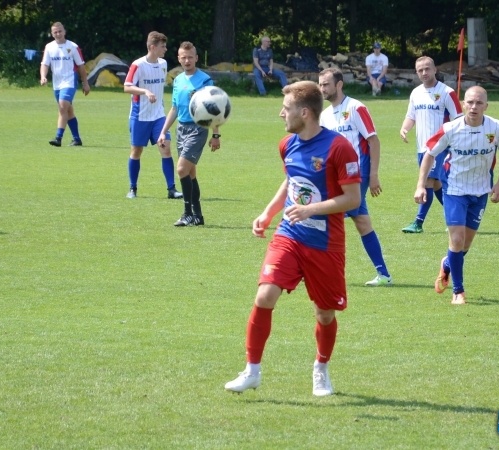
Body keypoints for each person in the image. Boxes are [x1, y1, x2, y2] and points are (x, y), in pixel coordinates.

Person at [224, 81, 361, 396]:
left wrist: (310, 209)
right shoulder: (287, 144)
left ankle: (321, 368)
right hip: (289, 235)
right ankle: (251, 371)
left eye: (286, 108)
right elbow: (290, 181)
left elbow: (352, 198)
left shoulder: (339, 148)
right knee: (264, 296)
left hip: (325, 244)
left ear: (305, 113)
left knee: (325, 313)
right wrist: (268, 213)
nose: (280, 113)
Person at [414, 86, 499, 305]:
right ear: (463, 104)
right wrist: (421, 185)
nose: (474, 107)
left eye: (479, 103)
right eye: (469, 102)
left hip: (480, 191)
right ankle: (458, 291)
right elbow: (429, 154)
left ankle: (447, 263)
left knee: (465, 245)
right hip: (454, 189)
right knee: (457, 239)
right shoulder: (450, 128)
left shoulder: (497, 128)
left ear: (486, 106)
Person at [318, 67, 392, 286]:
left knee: (327, 218)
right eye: (320, 85)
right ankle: (384, 274)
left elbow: (373, 141)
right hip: (338, 178)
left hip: (358, 175)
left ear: (339, 85)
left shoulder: (356, 107)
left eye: (326, 84)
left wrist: (374, 175)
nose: (322, 88)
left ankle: (321, 272)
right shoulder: (324, 115)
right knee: (362, 222)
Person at [158, 42, 220, 226]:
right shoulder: (177, 80)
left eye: (190, 57)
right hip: (181, 129)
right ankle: (198, 216)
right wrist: (163, 131)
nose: (187, 61)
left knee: (181, 169)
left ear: (196, 58)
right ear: (178, 59)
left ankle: (187, 214)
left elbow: (213, 109)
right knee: (190, 173)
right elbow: (175, 108)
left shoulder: (205, 80)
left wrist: (216, 135)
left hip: (198, 129)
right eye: (183, 57)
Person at [400, 56, 462, 233]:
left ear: (435, 70)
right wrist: (404, 128)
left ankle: (418, 223)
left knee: (427, 181)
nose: (424, 72)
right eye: (420, 70)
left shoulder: (447, 92)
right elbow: (411, 116)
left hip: (441, 147)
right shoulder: (415, 93)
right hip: (422, 147)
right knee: (436, 184)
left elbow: (459, 119)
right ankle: (457, 217)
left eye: (427, 68)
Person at [123, 31, 182, 200]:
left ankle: (171, 189)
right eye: (162, 46)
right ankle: (133, 188)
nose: (165, 49)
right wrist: (145, 91)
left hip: (158, 116)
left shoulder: (163, 64)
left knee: (165, 148)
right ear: (152, 47)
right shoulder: (138, 65)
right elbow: (127, 87)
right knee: (136, 151)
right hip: (140, 116)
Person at [40, 22, 90, 147]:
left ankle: (58, 138)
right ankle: (77, 139)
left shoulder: (72, 46)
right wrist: (43, 76)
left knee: (62, 107)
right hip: (57, 83)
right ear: (52, 34)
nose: (58, 34)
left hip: (69, 81)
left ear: (64, 32)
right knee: (68, 111)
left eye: (60, 31)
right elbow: (44, 64)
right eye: (55, 32)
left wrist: (85, 83)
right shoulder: (49, 47)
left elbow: (81, 66)